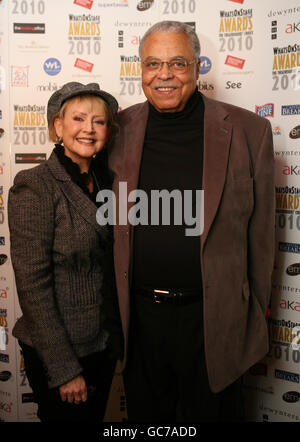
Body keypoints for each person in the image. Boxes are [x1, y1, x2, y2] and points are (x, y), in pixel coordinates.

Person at [109, 21, 275, 422]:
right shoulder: (116, 131)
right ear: (141, 70)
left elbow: (263, 238)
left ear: (197, 67)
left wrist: (251, 319)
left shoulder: (250, 131)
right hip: (140, 324)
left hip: (216, 323)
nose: (164, 74)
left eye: (177, 63)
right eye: (152, 63)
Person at [8, 82, 122, 422]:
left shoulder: (111, 181)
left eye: (99, 121)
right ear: (58, 127)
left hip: (103, 343)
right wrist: (63, 369)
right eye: (78, 118)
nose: (89, 129)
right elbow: (32, 287)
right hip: (61, 351)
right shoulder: (35, 185)